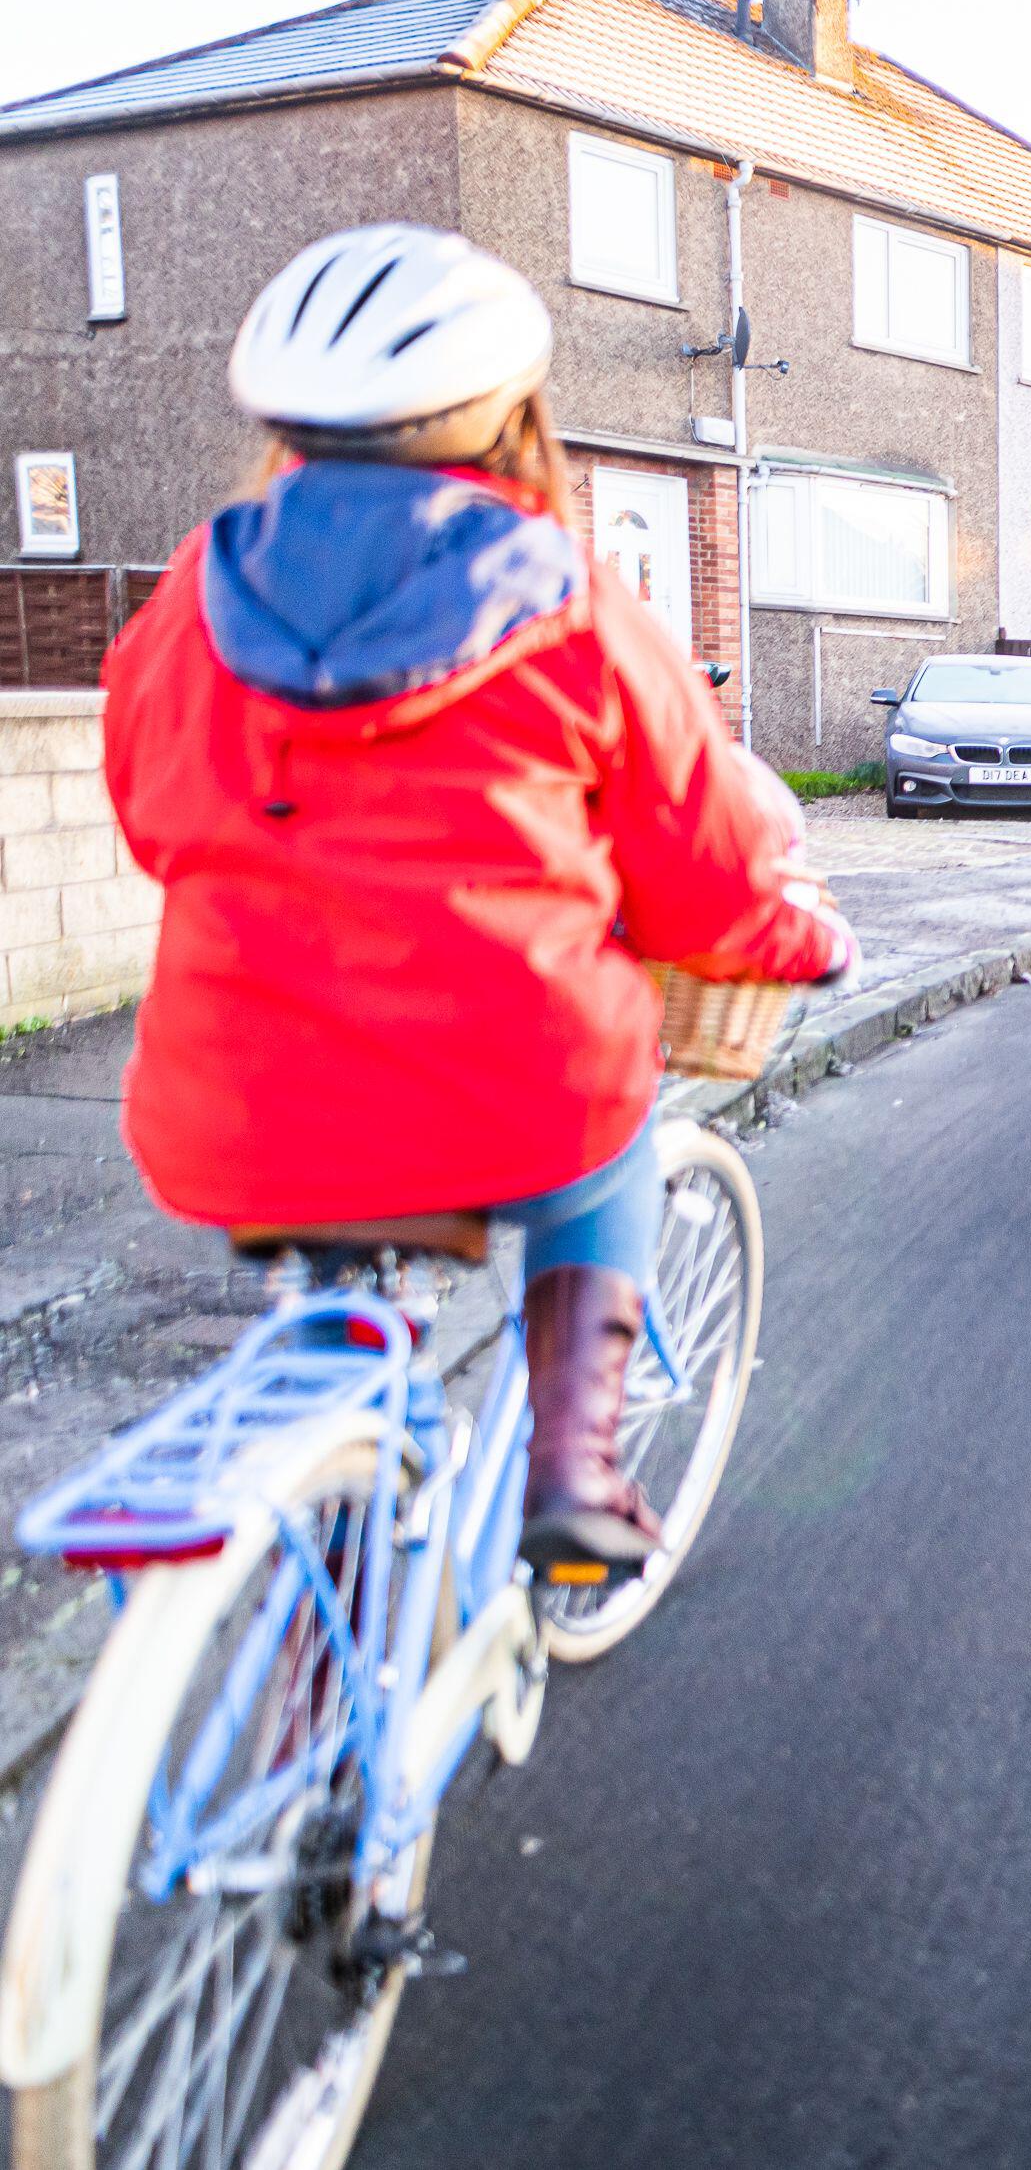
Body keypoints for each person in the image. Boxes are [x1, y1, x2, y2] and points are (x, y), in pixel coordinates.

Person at [101, 223, 853, 1581]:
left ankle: (317, 1656)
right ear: (510, 415)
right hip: (507, 1092)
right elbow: (704, 877)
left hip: (231, 1103)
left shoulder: (187, 599)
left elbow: (157, 821)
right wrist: (799, 938)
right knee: (604, 1108)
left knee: (330, 1286)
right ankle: (575, 1465)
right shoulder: (572, 602)